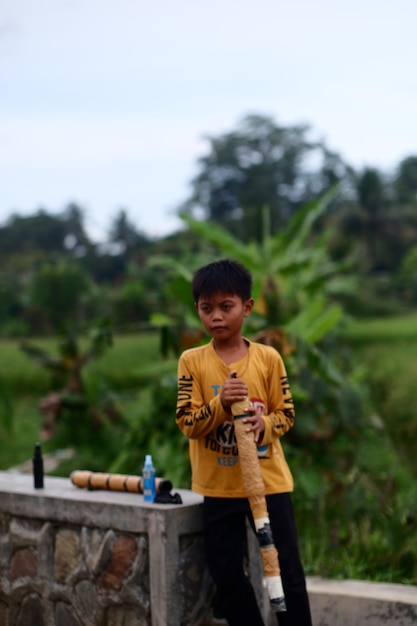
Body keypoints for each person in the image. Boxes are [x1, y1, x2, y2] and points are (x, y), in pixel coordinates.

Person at [176, 259, 313, 626]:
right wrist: (220, 406)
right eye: (207, 309)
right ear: (197, 311)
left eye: (226, 307)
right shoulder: (192, 362)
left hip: (269, 484)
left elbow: (286, 415)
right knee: (226, 573)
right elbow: (187, 423)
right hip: (218, 488)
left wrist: (262, 423)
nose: (216, 317)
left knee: (286, 572)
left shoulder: (268, 359)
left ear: (247, 307)